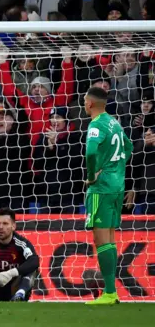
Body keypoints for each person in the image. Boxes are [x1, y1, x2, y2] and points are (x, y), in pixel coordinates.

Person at [83, 87, 133, 305]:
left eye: (85, 100)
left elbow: (91, 152)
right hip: (117, 186)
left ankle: (110, 293)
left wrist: (92, 175)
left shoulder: (96, 125)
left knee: (101, 239)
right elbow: (129, 147)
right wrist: (116, 168)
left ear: (89, 103)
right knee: (110, 238)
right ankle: (111, 292)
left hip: (101, 188)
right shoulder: (114, 122)